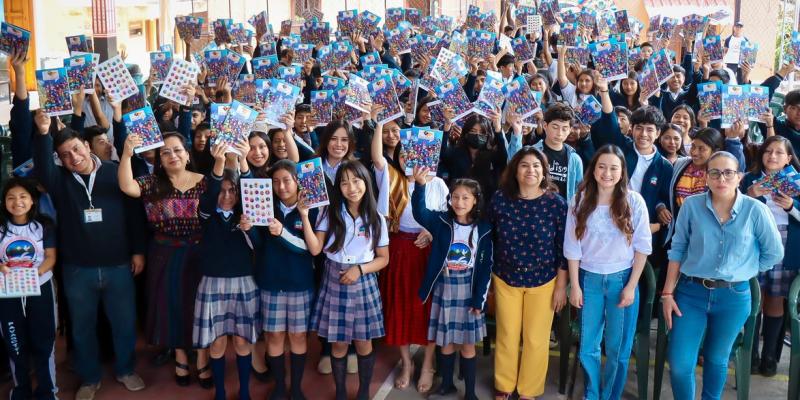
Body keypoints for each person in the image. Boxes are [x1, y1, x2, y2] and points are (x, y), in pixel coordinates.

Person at [118, 132, 248, 388]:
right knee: (171, 307)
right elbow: (126, 186)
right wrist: (126, 153)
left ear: (187, 154)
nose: (172, 155)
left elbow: (229, 195)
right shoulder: (151, 183)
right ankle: (179, 356)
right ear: (159, 158)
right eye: (165, 152)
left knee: (199, 309)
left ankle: (201, 358)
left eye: (177, 150)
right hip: (164, 253)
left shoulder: (205, 182)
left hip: (200, 253)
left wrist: (229, 158)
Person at [32, 111, 146, 400]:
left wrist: (138, 251)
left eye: (76, 149)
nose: (73, 157)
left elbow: (134, 216)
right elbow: (44, 168)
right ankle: (90, 377)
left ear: (86, 144)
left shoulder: (113, 171)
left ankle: (126, 370)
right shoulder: (59, 180)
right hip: (77, 269)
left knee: (123, 322)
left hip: (119, 264)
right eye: (65, 155)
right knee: (82, 329)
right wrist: (44, 133)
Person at [662, 151, 783, 399]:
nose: (722, 178)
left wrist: (745, 268)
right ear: (706, 177)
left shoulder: (755, 210)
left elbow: (774, 252)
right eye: (715, 172)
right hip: (690, 293)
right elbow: (677, 249)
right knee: (680, 363)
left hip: (734, 296)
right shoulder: (692, 207)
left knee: (717, 359)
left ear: (739, 177)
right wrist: (667, 293)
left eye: (729, 172)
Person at [564, 145, 652, 400]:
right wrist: (575, 286)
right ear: (593, 170)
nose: (607, 173)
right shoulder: (580, 200)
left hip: (621, 280)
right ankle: (592, 391)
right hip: (588, 280)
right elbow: (572, 248)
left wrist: (631, 286)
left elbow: (642, 247)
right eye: (602, 166)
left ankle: (611, 394)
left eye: (614, 168)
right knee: (588, 346)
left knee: (618, 348)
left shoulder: (634, 202)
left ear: (622, 171)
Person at [372, 117, 447, 393]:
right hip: (400, 252)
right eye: (405, 155)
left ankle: (427, 363)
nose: (409, 159)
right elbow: (378, 157)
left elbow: (448, 220)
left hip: (427, 253)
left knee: (429, 309)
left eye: (415, 155)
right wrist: (378, 123)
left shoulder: (437, 184)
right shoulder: (392, 181)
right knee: (400, 306)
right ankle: (407, 362)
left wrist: (432, 232)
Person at [303, 161, 390, 400]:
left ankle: (363, 392)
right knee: (338, 344)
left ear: (366, 182)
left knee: (363, 342)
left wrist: (359, 270)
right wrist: (304, 214)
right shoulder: (329, 213)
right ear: (338, 187)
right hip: (334, 277)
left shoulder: (377, 219)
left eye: (356, 180)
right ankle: (340, 391)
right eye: (344, 182)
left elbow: (383, 259)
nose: (351, 187)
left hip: (363, 280)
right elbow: (315, 249)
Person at [489, 147, 568, 400]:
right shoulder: (500, 199)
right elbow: (488, 238)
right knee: (507, 335)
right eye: (524, 165)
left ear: (544, 171)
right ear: (515, 170)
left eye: (536, 166)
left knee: (536, 339)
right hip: (505, 278)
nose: (530, 171)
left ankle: (528, 391)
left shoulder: (556, 204)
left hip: (543, 281)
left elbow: (563, 250)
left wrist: (560, 287)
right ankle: (505, 386)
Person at [412, 174, 493, 400]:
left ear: (475, 200)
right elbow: (420, 213)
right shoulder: (441, 222)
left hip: (469, 288)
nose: (459, 202)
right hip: (445, 286)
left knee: (467, 345)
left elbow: (486, 266)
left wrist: (480, 299)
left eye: (465, 198)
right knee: (445, 341)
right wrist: (420, 186)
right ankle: (446, 386)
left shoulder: (483, 229)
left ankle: (470, 393)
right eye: (455, 197)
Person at [248, 160, 317, 400]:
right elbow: (258, 244)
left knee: (298, 336)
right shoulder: (265, 205)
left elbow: (310, 249)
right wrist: (249, 228)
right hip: (270, 281)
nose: (281, 186)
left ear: (298, 181)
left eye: (287, 180)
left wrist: (282, 232)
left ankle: (296, 388)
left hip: (300, 282)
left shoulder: (311, 208)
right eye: (276, 181)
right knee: (274, 335)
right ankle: (279, 386)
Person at [193, 145, 256, 400]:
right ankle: (220, 391)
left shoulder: (248, 216)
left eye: (232, 190)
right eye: (222, 190)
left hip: (244, 283)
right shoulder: (207, 214)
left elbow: (258, 244)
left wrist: (248, 229)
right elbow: (208, 198)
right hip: (212, 283)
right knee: (217, 342)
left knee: (242, 341)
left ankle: (244, 392)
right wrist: (218, 164)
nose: (227, 195)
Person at [741, 136, 800, 376]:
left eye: (778, 152)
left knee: (775, 300)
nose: (772, 156)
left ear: (788, 158)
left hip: (786, 244)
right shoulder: (749, 179)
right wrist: (750, 194)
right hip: (754, 243)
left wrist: (790, 207)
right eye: (768, 151)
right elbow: (734, 213)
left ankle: (770, 357)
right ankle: (751, 354)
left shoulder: (797, 182)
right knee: (754, 298)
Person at [0, 178, 57, 400]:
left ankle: (48, 392)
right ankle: (21, 390)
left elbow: (51, 258)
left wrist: (33, 275)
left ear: (32, 200)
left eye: (23, 196)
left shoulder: (44, 225)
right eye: (11, 198)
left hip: (39, 289)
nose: (17, 202)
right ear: (4, 202)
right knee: (15, 343)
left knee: (44, 341)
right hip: (7, 293)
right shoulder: (2, 227)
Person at [508, 103, 584, 201]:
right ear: (545, 125)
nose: (560, 133)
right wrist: (517, 133)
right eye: (555, 127)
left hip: (563, 212)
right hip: (535, 208)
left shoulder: (575, 159)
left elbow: (578, 192)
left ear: (570, 130)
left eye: (564, 128)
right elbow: (513, 165)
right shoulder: (534, 152)